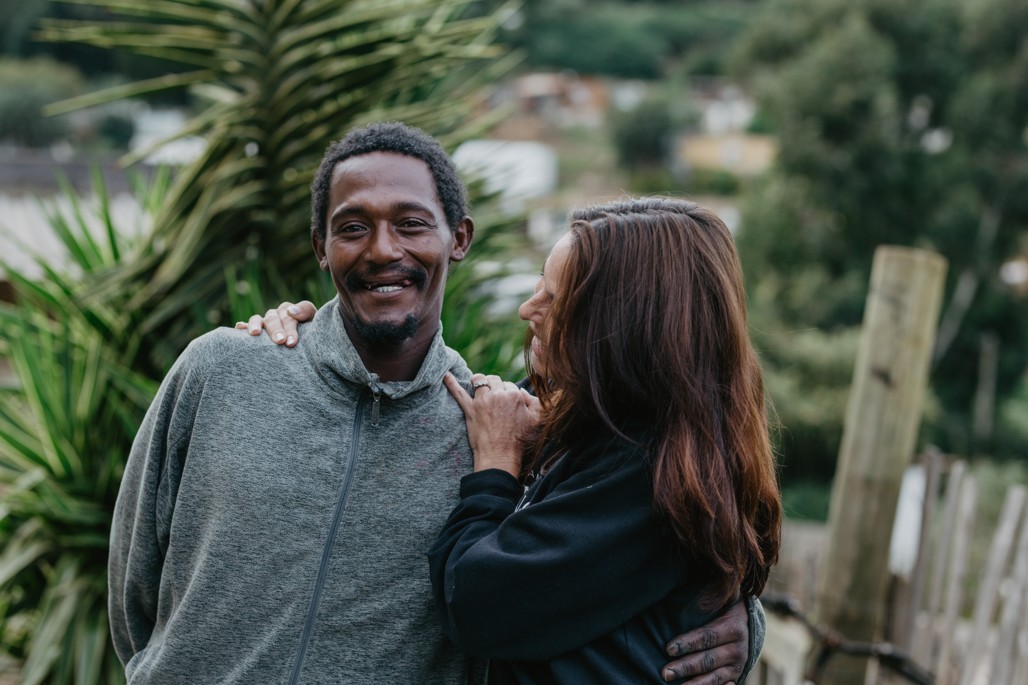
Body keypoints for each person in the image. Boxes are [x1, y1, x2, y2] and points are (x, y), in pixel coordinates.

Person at [110, 120, 757, 684]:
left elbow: (613, 547)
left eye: (411, 224)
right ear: (320, 247)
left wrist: (735, 613)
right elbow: (133, 588)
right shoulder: (223, 369)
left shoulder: (494, 430)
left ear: (459, 238)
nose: (382, 249)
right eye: (352, 227)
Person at [429, 198, 782, 683]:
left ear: (625, 328)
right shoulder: (588, 416)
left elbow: (473, 606)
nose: (527, 309)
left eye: (557, 300)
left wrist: (494, 468)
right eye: (539, 283)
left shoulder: (647, 475)